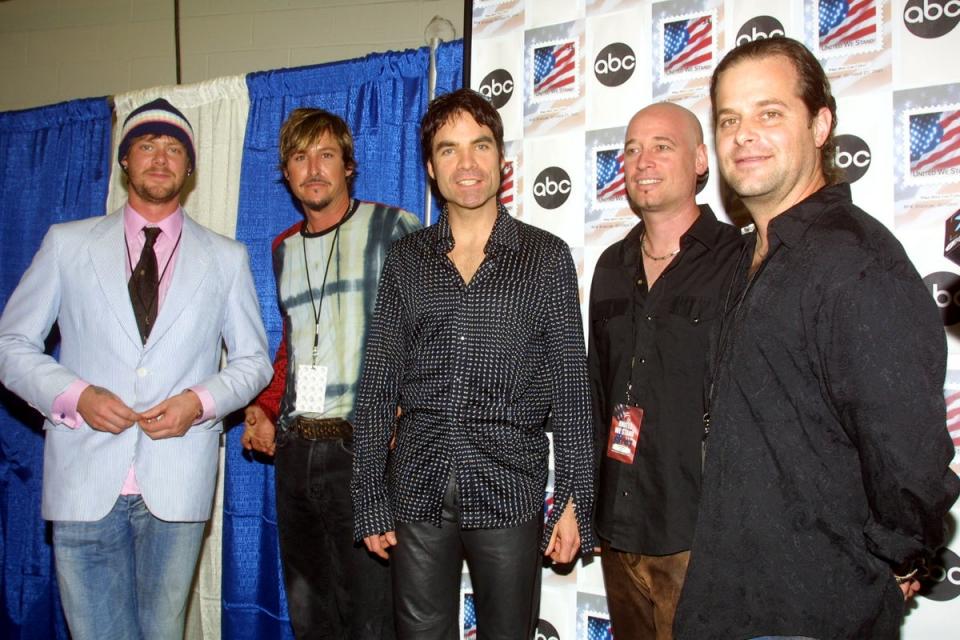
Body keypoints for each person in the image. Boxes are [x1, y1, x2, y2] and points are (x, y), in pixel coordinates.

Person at [673, 37, 960, 640]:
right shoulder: (756, 256)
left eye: (769, 113)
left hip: (813, 610)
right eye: (729, 119)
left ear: (822, 123)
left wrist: (900, 552)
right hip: (731, 597)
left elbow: (911, 453)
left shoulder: (853, 262)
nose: (744, 134)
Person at [0, 98, 272, 640]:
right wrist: (75, 394)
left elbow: (254, 362)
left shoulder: (226, 257)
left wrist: (199, 402)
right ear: (125, 159)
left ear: (189, 168)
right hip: (83, 477)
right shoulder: (66, 244)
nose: (161, 158)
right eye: (147, 145)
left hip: (178, 480)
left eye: (174, 149)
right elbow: (10, 345)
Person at [351, 88, 595, 640]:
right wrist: (369, 496)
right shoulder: (407, 260)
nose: (466, 163)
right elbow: (378, 384)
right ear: (432, 169)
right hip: (417, 486)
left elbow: (572, 391)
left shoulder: (545, 257)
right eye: (448, 149)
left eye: (480, 145)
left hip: (510, 485)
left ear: (501, 160)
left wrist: (578, 498)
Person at [241, 108, 420, 639]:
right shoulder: (282, 249)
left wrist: (404, 414)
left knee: (375, 618)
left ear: (348, 165)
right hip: (297, 456)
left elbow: (429, 330)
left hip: (368, 451)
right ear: (287, 172)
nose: (313, 169)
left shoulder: (396, 227)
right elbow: (291, 347)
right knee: (311, 619)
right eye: (300, 157)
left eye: (325, 155)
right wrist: (266, 408)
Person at [588, 102, 740, 640]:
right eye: (630, 149)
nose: (641, 160)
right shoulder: (610, 265)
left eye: (661, 146)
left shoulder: (740, 261)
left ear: (701, 160)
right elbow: (595, 395)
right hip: (617, 528)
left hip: (697, 534)